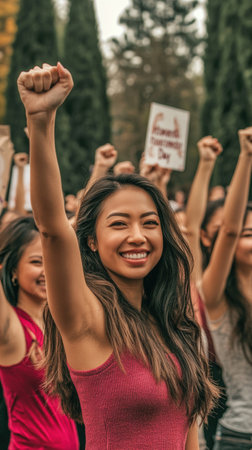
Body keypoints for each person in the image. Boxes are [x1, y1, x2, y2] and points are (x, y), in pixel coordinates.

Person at [17, 62, 218, 450]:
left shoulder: (174, 322)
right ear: (90, 240)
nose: (137, 236)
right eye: (119, 224)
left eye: (149, 222)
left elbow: (187, 438)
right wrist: (40, 122)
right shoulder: (87, 319)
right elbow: (53, 229)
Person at [187, 130, 252, 448]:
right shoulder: (215, 294)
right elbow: (226, 229)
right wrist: (246, 157)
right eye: (248, 233)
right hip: (241, 436)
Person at [0, 216, 79, 449]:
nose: (47, 270)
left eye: (50, 261)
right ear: (12, 270)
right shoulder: (12, 329)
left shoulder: (58, 324)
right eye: (36, 262)